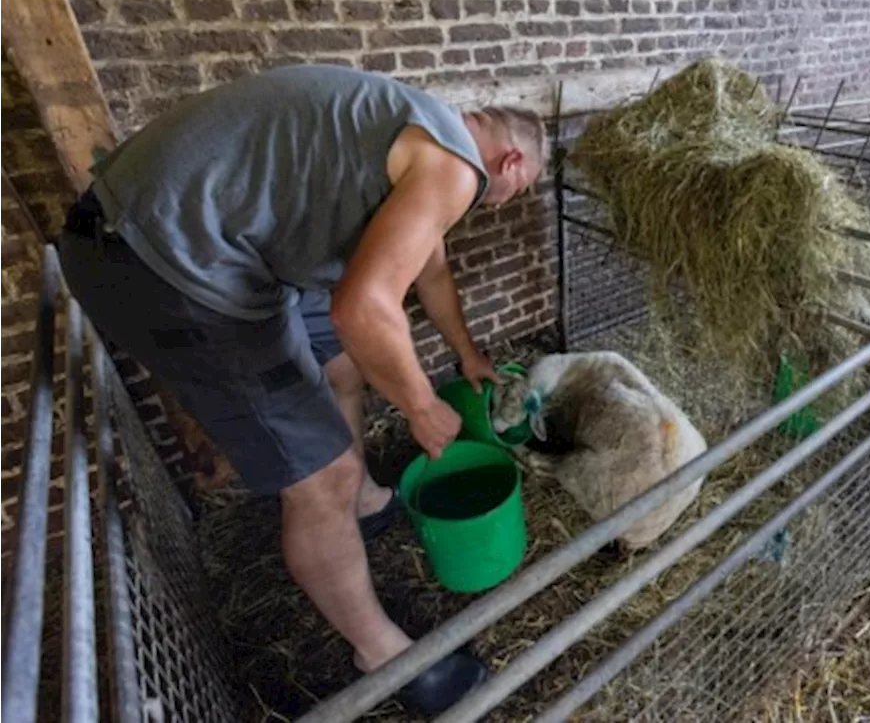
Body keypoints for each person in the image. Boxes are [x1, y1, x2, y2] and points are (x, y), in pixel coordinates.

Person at [57, 64, 546, 715]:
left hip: (190, 237)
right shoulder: (457, 169)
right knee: (322, 478)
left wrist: (467, 355)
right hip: (166, 263)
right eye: (522, 189)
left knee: (341, 363)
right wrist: (422, 406)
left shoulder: (430, 128)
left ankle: (367, 501)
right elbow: (365, 307)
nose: (506, 199)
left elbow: (429, 272)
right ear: (511, 161)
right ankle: (380, 652)